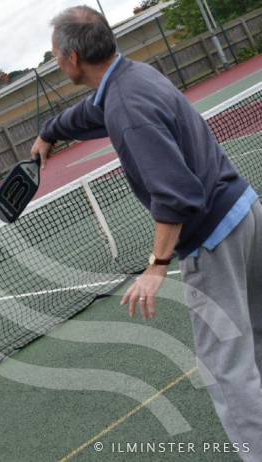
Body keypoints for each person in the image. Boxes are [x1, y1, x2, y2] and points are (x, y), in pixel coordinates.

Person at [31, 6, 262, 459]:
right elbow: (91, 113)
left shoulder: (126, 109)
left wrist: (157, 266)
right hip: (247, 212)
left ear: (73, 60)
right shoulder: (133, 76)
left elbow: (174, 196)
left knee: (225, 368)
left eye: (57, 54)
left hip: (213, 239)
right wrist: (48, 132)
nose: (57, 62)